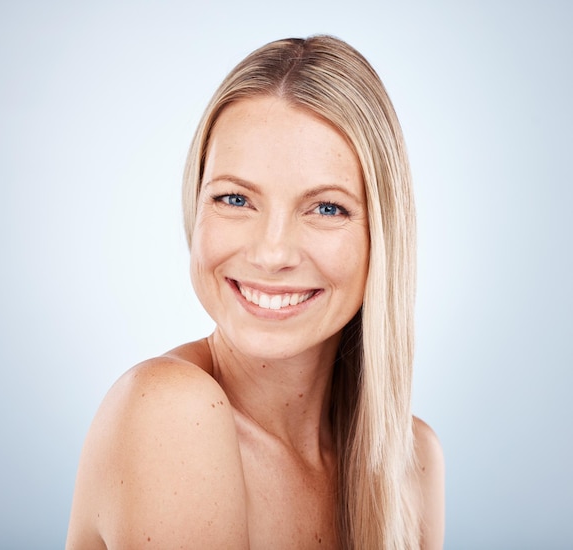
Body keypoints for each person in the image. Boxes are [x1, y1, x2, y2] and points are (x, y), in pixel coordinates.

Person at [66, 35, 445, 549]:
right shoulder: (171, 412)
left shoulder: (411, 462)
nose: (272, 253)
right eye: (235, 198)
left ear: (382, 233)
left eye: (326, 208)